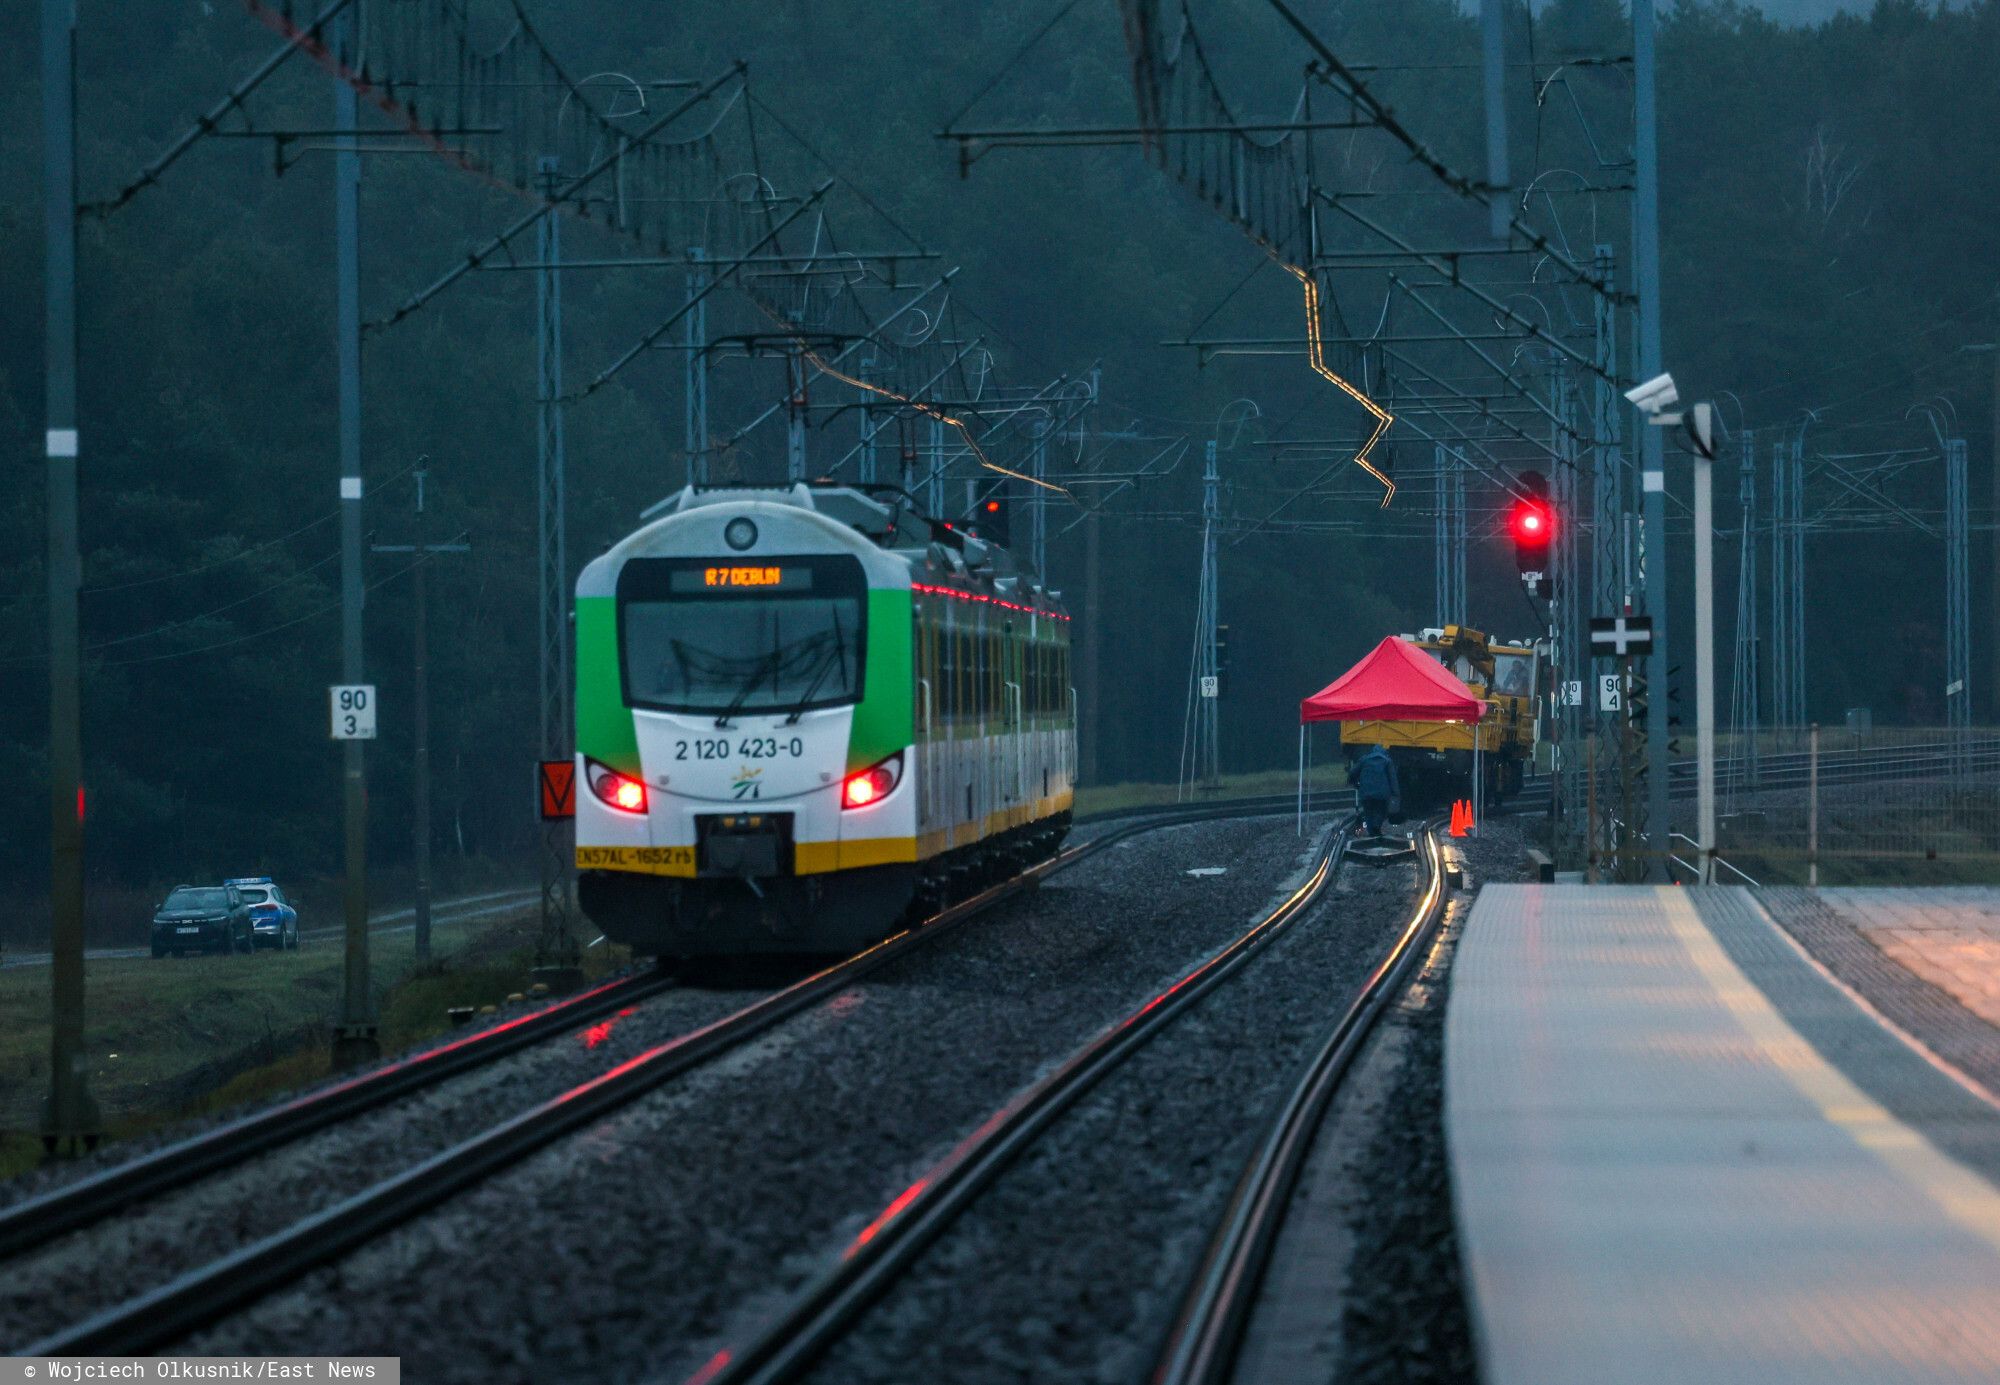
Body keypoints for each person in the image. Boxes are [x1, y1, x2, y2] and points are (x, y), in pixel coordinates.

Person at [1352, 745, 1400, 837]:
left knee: (1368, 812)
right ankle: (1376, 827)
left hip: (1366, 793)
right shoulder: (1387, 761)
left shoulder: (1364, 760)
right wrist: (1396, 794)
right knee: (1381, 811)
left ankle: (1371, 833)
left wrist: (1355, 783)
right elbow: (1393, 779)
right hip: (1381, 794)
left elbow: (1353, 773)